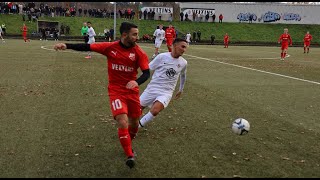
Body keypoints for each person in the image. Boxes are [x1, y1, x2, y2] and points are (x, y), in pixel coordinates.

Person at [53, 22, 150, 169]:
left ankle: (128, 141)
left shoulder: (139, 53)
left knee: (134, 123)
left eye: (137, 34)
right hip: (116, 91)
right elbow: (88, 47)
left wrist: (136, 82)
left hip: (132, 92)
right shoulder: (110, 47)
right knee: (122, 121)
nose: (137, 37)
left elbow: (146, 73)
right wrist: (66, 45)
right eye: (134, 34)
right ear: (125, 35)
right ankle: (129, 154)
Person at [138, 38, 188, 128]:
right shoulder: (162, 57)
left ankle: (137, 127)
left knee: (155, 110)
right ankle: (130, 121)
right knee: (137, 109)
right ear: (175, 45)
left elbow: (183, 76)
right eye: (182, 47)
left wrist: (181, 89)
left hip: (166, 92)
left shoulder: (183, 63)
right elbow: (148, 69)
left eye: (185, 48)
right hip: (152, 88)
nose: (184, 50)